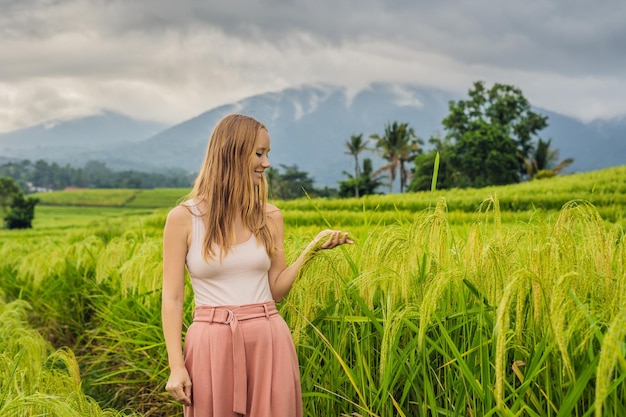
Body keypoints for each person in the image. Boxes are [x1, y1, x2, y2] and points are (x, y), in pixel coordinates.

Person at [162, 113, 352, 416]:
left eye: (267, 154)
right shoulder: (183, 219)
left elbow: (276, 290)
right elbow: (172, 298)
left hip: (268, 339)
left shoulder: (270, 216)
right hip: (210, 345)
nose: (267, 163)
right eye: (259, 153)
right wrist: (175, 366)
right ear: (233, 153)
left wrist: (312, 250)